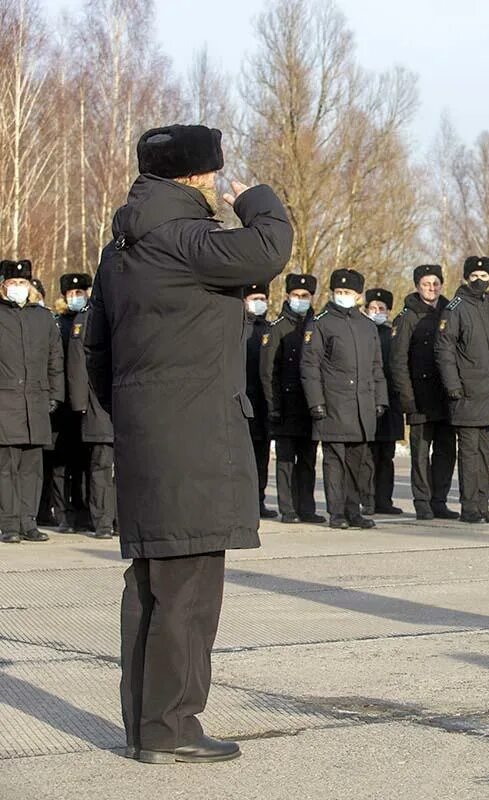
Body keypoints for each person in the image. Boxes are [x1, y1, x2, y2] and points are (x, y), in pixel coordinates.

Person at [85, 124, 292, 763]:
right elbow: (269, 250)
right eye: (211, 176)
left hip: (149, 434)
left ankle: (149, 727)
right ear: (197, 178)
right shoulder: (189, 240)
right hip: (196, 435)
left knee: (152, 585)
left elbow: (96, 346)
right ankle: (172, 728)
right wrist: (256, 196)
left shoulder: (120, 250)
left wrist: (136, 410)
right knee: (190, 589)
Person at [300, 269, 387, 529]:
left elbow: (376, 367)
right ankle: (336, 513)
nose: (342, 296)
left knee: (358, 463)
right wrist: (316, 401)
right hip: (333, 405)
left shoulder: (366, 325)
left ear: (358, 295)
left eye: (348, 293)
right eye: (339, 292)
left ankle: (354, 510)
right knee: (335, 461)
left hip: (362, 407)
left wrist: (380, 399)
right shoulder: (321, 322)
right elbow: (309, 365)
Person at [435, 256, 489, 524]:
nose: (480, 280)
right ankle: (469, 507)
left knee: (484, 453)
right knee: (468, 454)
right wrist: (453, 385)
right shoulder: (456, 308)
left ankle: (483, 504)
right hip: (467, 393)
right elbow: (444, 350)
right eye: (475, 275)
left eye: (484, 276)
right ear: (466, 278)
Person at [1, 259, 64, 544]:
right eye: (13, 284)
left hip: (36, 403)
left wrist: (55, 394)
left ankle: (29, 522)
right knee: (6, 468)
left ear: (30, 286)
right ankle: (9, 524)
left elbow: (55, 359)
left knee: (32, 469)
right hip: (5, 403)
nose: (18, 288)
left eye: (22, 284)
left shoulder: (43, 318)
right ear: (3, 286)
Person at [391, 265, 458, 521]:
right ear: (417, 286)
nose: (431, 288)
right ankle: (422, 501)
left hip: (446, 395)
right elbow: (398, 361)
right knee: (420, 453)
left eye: (435, 283)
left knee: (446, 451)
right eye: (426, 284)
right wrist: (407, 397)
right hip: (419, 397)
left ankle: (439, 499)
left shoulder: (450, 311)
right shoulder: (407, 317)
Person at [261, 273, 324, 524]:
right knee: (286, 462)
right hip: (285, 407)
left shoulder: (317, 325)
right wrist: (273, 406)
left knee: (308, 460)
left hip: (309, 405)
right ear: (288, 296)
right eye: (296, 296)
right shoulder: (277, 329)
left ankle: (306, 507)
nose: (300, 300)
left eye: (305, 296)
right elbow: (268, 372)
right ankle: (288, 509)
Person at [65, 280, 115, 538]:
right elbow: (77, 366)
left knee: (124, 469)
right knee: (100, 467)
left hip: (124, 405)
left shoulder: (123, 313)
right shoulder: (85, 321)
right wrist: (80, 403)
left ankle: (117, 517)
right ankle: (102, 521)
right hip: (98, 405)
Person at [49, 273, 92, 532]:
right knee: (61, 464)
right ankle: (63, 512)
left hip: (84, 403)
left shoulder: (90, 320)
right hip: (61, 404)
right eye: (71, 293)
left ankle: (84, 510)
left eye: (81, 292)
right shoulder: (58, 324)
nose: (76, 297)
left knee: (84, 463)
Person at [363, 287, 405, 516]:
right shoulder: (362, 333)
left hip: (391, 402)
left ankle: (384, 500)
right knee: (368, 456)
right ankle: (367, 499)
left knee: (386, 455)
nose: (377, 312)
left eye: (382, 308)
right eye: (373, 308)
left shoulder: (393, 336)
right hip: (367, 400)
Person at [243, 283, 276, 519]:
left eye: (263, 298)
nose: (259, 302)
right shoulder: (237, 328)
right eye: (255, 298)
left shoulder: (269, 329)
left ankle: (258, 499)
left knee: (261, 455)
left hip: (264, 404)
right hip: (242, 400)